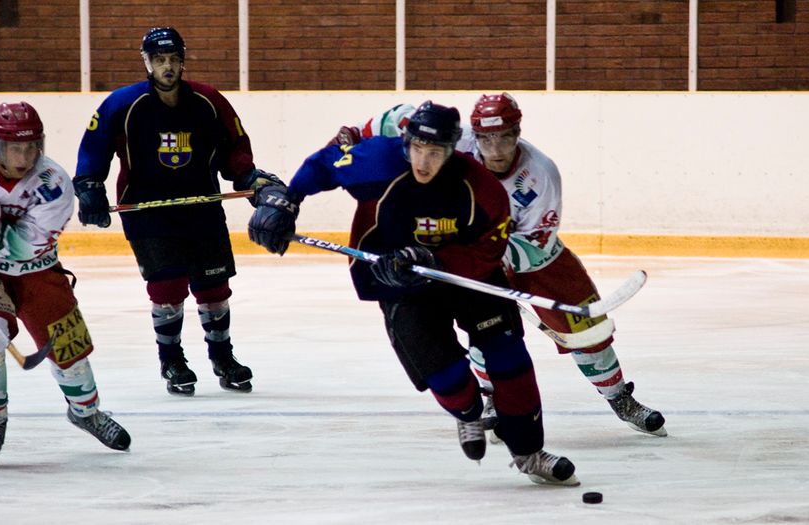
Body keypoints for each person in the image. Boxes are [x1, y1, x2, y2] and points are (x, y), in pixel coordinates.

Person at [249, 101, 580, 486]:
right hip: (400, 282)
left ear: (454, 148)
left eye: (436, 152)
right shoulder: (378, 160)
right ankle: (470, 413)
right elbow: (324, 164)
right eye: (417, 149)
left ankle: (529, 453)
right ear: (405, 142)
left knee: (510, 360)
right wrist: (289, 200)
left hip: (465, 277)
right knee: (448, 379)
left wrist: (436, 259)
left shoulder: (481, 188)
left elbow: (488, 250)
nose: (423, 161)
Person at [329, 94, 667, 437]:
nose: (496, 148)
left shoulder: (540, 175)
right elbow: (396, 118)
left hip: (534, 261)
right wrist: (353, 134)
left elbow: (537, 243)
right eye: (487, 138)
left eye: (505, 136)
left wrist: (487, 261)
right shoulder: (453, 141)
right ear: (473, 135)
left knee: (587, 329)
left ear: (518, 132)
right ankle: (492, 398)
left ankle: (619, 397)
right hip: (467, 255)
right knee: (486, 330)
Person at [74, 27, 283, 396]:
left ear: (182, 60)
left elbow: (233, 146)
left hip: (201, 205)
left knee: (214, 287)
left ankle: (222, 356)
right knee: (167, 287)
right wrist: (90, 186)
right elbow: (95, 145)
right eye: (159, 60)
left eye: (172, 59)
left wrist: (248, 176)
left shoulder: (208, 100)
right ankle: (172, 360)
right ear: (147, 63)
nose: (167, 67)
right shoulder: (123, 104)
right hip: (146, 209)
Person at [0, 101, 131, 464]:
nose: (23, 156)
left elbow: (24, 246)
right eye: (13, 147)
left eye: (30, 147)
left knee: (69, 350)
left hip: (36, 270)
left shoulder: (53, 182)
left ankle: (86, 412)